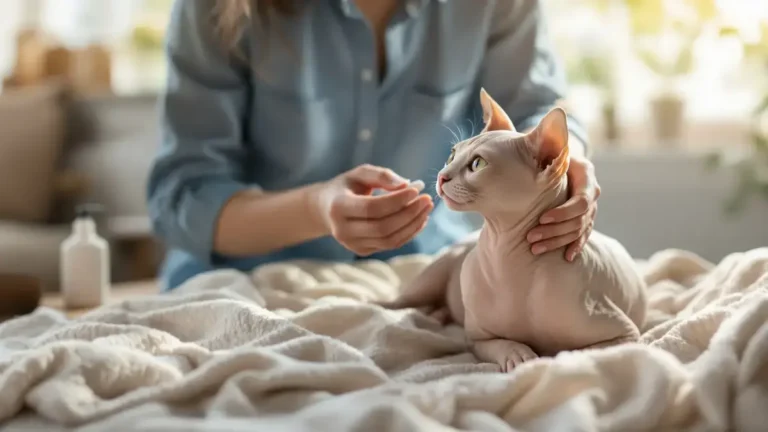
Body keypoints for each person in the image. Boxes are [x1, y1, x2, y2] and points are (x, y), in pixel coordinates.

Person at [147, 0, 602, 291]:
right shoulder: (219, 9)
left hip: (422, 279)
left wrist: (569, 164)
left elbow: (537, 110)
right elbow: (184, 196)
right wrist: (315, 209)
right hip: (241, 288)